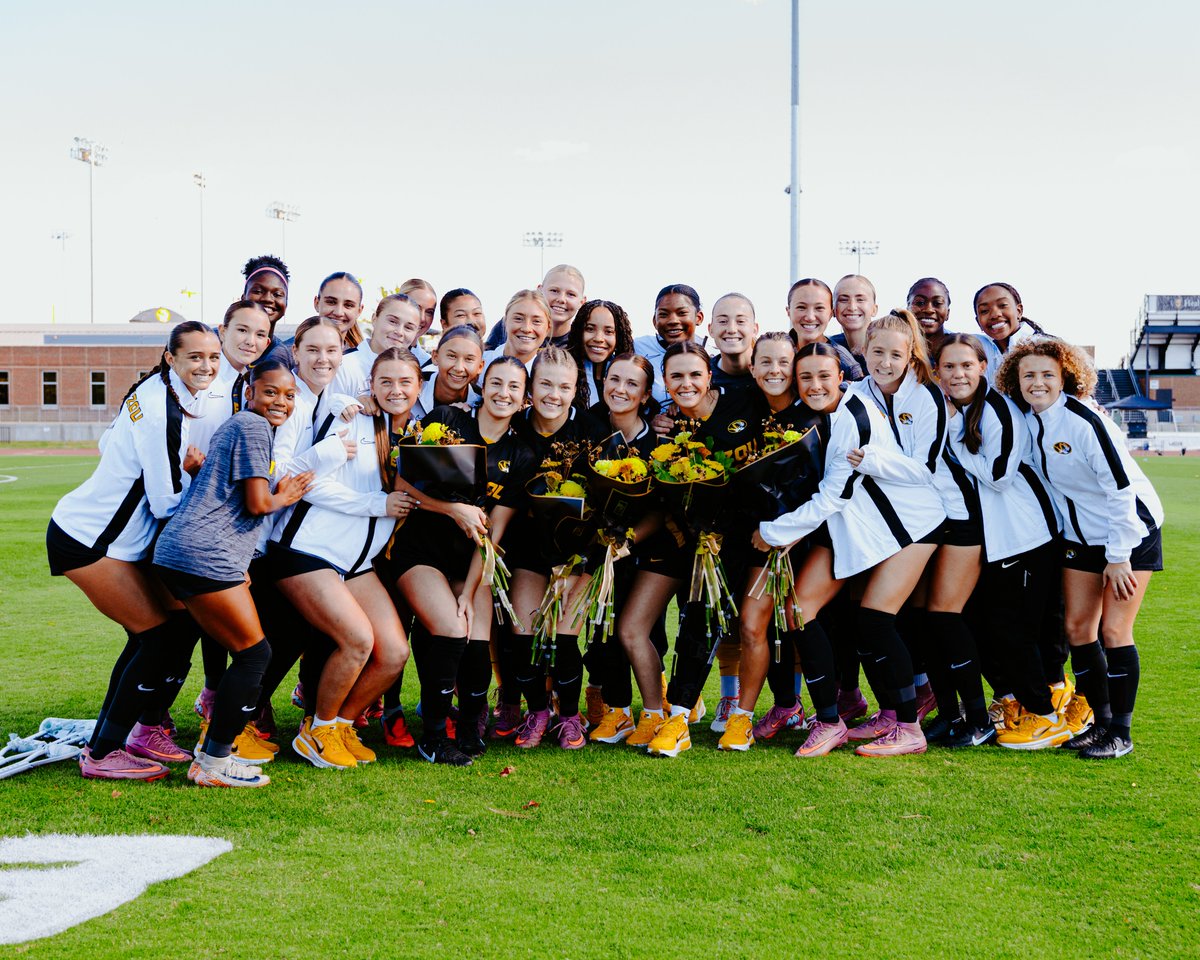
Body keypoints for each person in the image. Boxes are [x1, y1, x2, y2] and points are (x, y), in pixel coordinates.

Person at [755, 341, 946, 758]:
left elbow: (833, 496)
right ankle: (831, 722)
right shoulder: (824, 414)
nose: (815, 384)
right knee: (797, 611)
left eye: (825, 375)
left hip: (908, 526)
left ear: (842, 376)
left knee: (875, 621)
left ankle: (909, 728)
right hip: (856, 529)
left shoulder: (852, 419)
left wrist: (771, 531)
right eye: (806, 377)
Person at [48, 321, 218, 781]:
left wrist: (177, 468)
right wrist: (204, 483)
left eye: (212, 357)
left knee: (170, 626)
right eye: (195, 357)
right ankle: (102, 753)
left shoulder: (153, 391)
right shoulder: (164, 408)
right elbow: (166, 502)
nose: (206, 366)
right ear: (172, 357)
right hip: (88, 540)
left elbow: (112, 444)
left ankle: (122, 735)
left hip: (103, 537)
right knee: (158, 635)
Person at [997, 338, 1163, 759]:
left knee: (1113, 631)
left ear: (1065, 378)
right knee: (1077, 630)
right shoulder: (1028, 422)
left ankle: (1120, 733)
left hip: (1129, 531)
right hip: (1080, 535)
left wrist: (1119, 555)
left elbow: (1121, 489)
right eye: (1028, 375)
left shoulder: (1085, 421)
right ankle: (1098, 722)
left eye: (1047, 375)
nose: (1037, 383)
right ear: (1016, 381)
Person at [152, 362, 313, 787]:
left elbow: (221, 495)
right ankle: (214, 762)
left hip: (188, 552)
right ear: (249, 392)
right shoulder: (254, 427)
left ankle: (211, 754)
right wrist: (287, 495)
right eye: (270, 392)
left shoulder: (240, 426)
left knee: (242, 653)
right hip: (204, 553)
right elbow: (258, 503)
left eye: (289, 395)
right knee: (254, 655)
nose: (280, 401)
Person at [268, 349, 417, 769]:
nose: (395, 390)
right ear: (370, 384)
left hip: (358, 563)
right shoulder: (350, 416)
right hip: (310, 551)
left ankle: (339, 725)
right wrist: (377, 504)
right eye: (385, 381)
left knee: (393, 653)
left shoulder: (421, 433)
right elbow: (309, 485)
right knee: (357, 640)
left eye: (405, 382)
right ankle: (316, 733)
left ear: (418, 387)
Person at [617, 340, 764, 758]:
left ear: (710, 375)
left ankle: (679, 717)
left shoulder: (744, 403)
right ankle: (658, 712)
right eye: (676, 376)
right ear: (664, 382)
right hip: (682, 542)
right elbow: (659, 496)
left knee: (701, 624)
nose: (686, 383)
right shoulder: (669, 428)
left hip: (735, 543)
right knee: (640, 626)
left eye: (695, 374)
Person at [385, 355, 533, 764]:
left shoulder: (519, 454)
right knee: (451, 629)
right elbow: (403, 483)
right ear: (482, 387)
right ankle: (432, 737)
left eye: (514, 387)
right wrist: (454, 509)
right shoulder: (447, 419)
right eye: (496, 383)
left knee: (477, 634)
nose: (503, 393)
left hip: (470, 559)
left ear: (525, 399)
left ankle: (468, 729)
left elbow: (494, 534)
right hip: (420, 551)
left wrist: (469, 592)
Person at [936, 334, 1064, 748]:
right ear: (938, 373)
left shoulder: (996, 410)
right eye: (949, 367)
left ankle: (1044, 715)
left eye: (965, 366)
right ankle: (1011, 702)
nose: (958, 374)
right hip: (997, 542)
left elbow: (999, 473)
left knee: (1016, 631)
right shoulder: (963, 409)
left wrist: (955, 439)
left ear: (982, 367)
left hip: (1028, 536)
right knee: (989, 627)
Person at [718, 332, 825, 751]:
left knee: (784, 624)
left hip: (805, 540)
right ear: (753, 366)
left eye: (783, 362)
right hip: (756, 539)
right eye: (765, 362)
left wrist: (786, 532)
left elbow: (821, 488)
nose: (774, 371)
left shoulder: (814, 416)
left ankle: (819, 711)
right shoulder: (744, 410)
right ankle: (752, 715)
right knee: (753, 625)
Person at [501, 347, 596, 748]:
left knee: (564, 636)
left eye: (564, 386)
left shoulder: (590, 431)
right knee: (522, 633)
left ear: (576, 389)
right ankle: (538, 711)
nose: (554, 394)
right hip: (528, 550)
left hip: (579, 554)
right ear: (530, 386)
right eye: (545, 384)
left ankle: (571, 717)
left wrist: (581, 559)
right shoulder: (514, 426)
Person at [583, 353, 664, 743]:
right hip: (596, 549)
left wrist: (628, 539)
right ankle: (617, 712)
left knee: (640, 631)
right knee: (602, 631)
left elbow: (663, 509)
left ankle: (654, 711)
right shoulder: (587, 430)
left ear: (646, 394)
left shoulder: (658, 441)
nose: (621, 389)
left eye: (632, 384)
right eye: (614, 379)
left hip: (646, 550)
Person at [331, 293, 424, 400]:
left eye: (408, 327)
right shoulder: (344, 365)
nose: (399, 332)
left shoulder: (414, 371)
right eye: (393, 321)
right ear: (374, 319)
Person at [633, 284, 709, 405]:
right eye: (663, 314)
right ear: (654, 321)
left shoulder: (715, 355)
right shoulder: (638, 348)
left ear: (699, 317)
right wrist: (649, 416)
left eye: (682, 313)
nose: (673, 320)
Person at [786, 278, 863, 380]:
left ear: (831, 313)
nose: (810, 317)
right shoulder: (777, 350)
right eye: (801, 307)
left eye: (819, 308)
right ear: (788, 311)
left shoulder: (845, 362)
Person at [565, 299, 635, 410]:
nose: (598, 338)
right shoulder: (564, 369)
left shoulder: (631, 372)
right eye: (590, 329)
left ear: (619, 336)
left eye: (608, 331)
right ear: (579, 331)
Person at [973, 282, 1048, 384]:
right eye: (984, 311)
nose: (995, 315)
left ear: (1019, 311)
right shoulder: (978, 346)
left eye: (1003, 305)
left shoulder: (1045, 347)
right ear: (978, 322)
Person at [414, 325, 486, 418]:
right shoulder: (413, 387)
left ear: (480, 366)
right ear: (435, 357)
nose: (459, 368)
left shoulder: (482, 403)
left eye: (469, 359)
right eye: (452, 356)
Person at [480, 290, 552, 376]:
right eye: (518, 319)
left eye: (536, 321)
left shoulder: (547, 378)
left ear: (548, 328)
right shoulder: (479, 364)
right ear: (505, 321)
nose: (526, 328)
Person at [242, 255, 294, 366]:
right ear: (243, 298)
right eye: (258, 291)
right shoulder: (215, 341)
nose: (268, 299)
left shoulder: (284, 357)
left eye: (277, 294)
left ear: (286, 303)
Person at [708, 293, 758, 392]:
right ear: (711, 329)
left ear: (755, 329)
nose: (731, 329)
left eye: (741, 321)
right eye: (722, 321)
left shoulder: (770, 372)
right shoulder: (702, 377)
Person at [828, 274, 878, 370]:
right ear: (833, 310)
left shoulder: (888, 346)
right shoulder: (829, 349)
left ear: (874, 309)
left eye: (860, 300)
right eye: (843, 300)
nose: (852, 307)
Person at [315, 271, 366, 349]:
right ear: (317, 303)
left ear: (359, 311)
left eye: (348, 305)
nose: (338, 312)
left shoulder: (362, 358)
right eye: (331, 302)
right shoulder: (291, 353)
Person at [907, 277, 952, 357]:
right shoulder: (895, 345)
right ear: (908, 310)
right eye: (920, 303)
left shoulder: (963, 346)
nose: (928, 310)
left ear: (947, 313)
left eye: (937, 303)